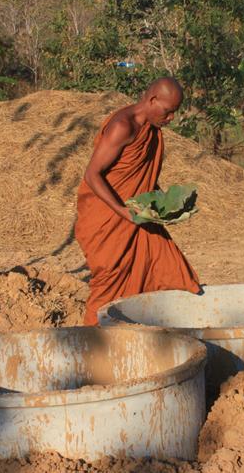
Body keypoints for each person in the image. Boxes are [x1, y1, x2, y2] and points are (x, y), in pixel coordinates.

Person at [75, 77, 201, 325]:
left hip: (138, 217)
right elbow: (92, 174)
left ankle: (146, 335)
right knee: (109, 285)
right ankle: (90, 345)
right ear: (152, 100)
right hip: (108, 220)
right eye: (168, 112)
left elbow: (143, 179)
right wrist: (123, 212)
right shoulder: (123, 125)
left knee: (168, 270)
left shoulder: (152, 131)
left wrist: (165, 205)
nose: (171, 118)